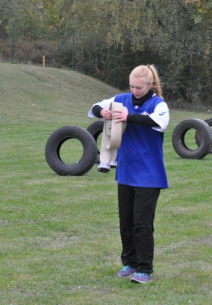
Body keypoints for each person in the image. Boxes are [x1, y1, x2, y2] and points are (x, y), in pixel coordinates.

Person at [88, 64, 170, 284]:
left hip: (149, 175)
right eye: (132, 86)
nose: (134, 91)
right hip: (125, 172)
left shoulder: (158, 104)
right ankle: (129, 263)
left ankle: (145, 269)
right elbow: (94, 107)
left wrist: (129, 116)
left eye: (139, 88)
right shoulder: (121, 99)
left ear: (150, 85)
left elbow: (159, 123)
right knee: (126, 222)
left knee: (142, 224)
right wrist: (102, 112)